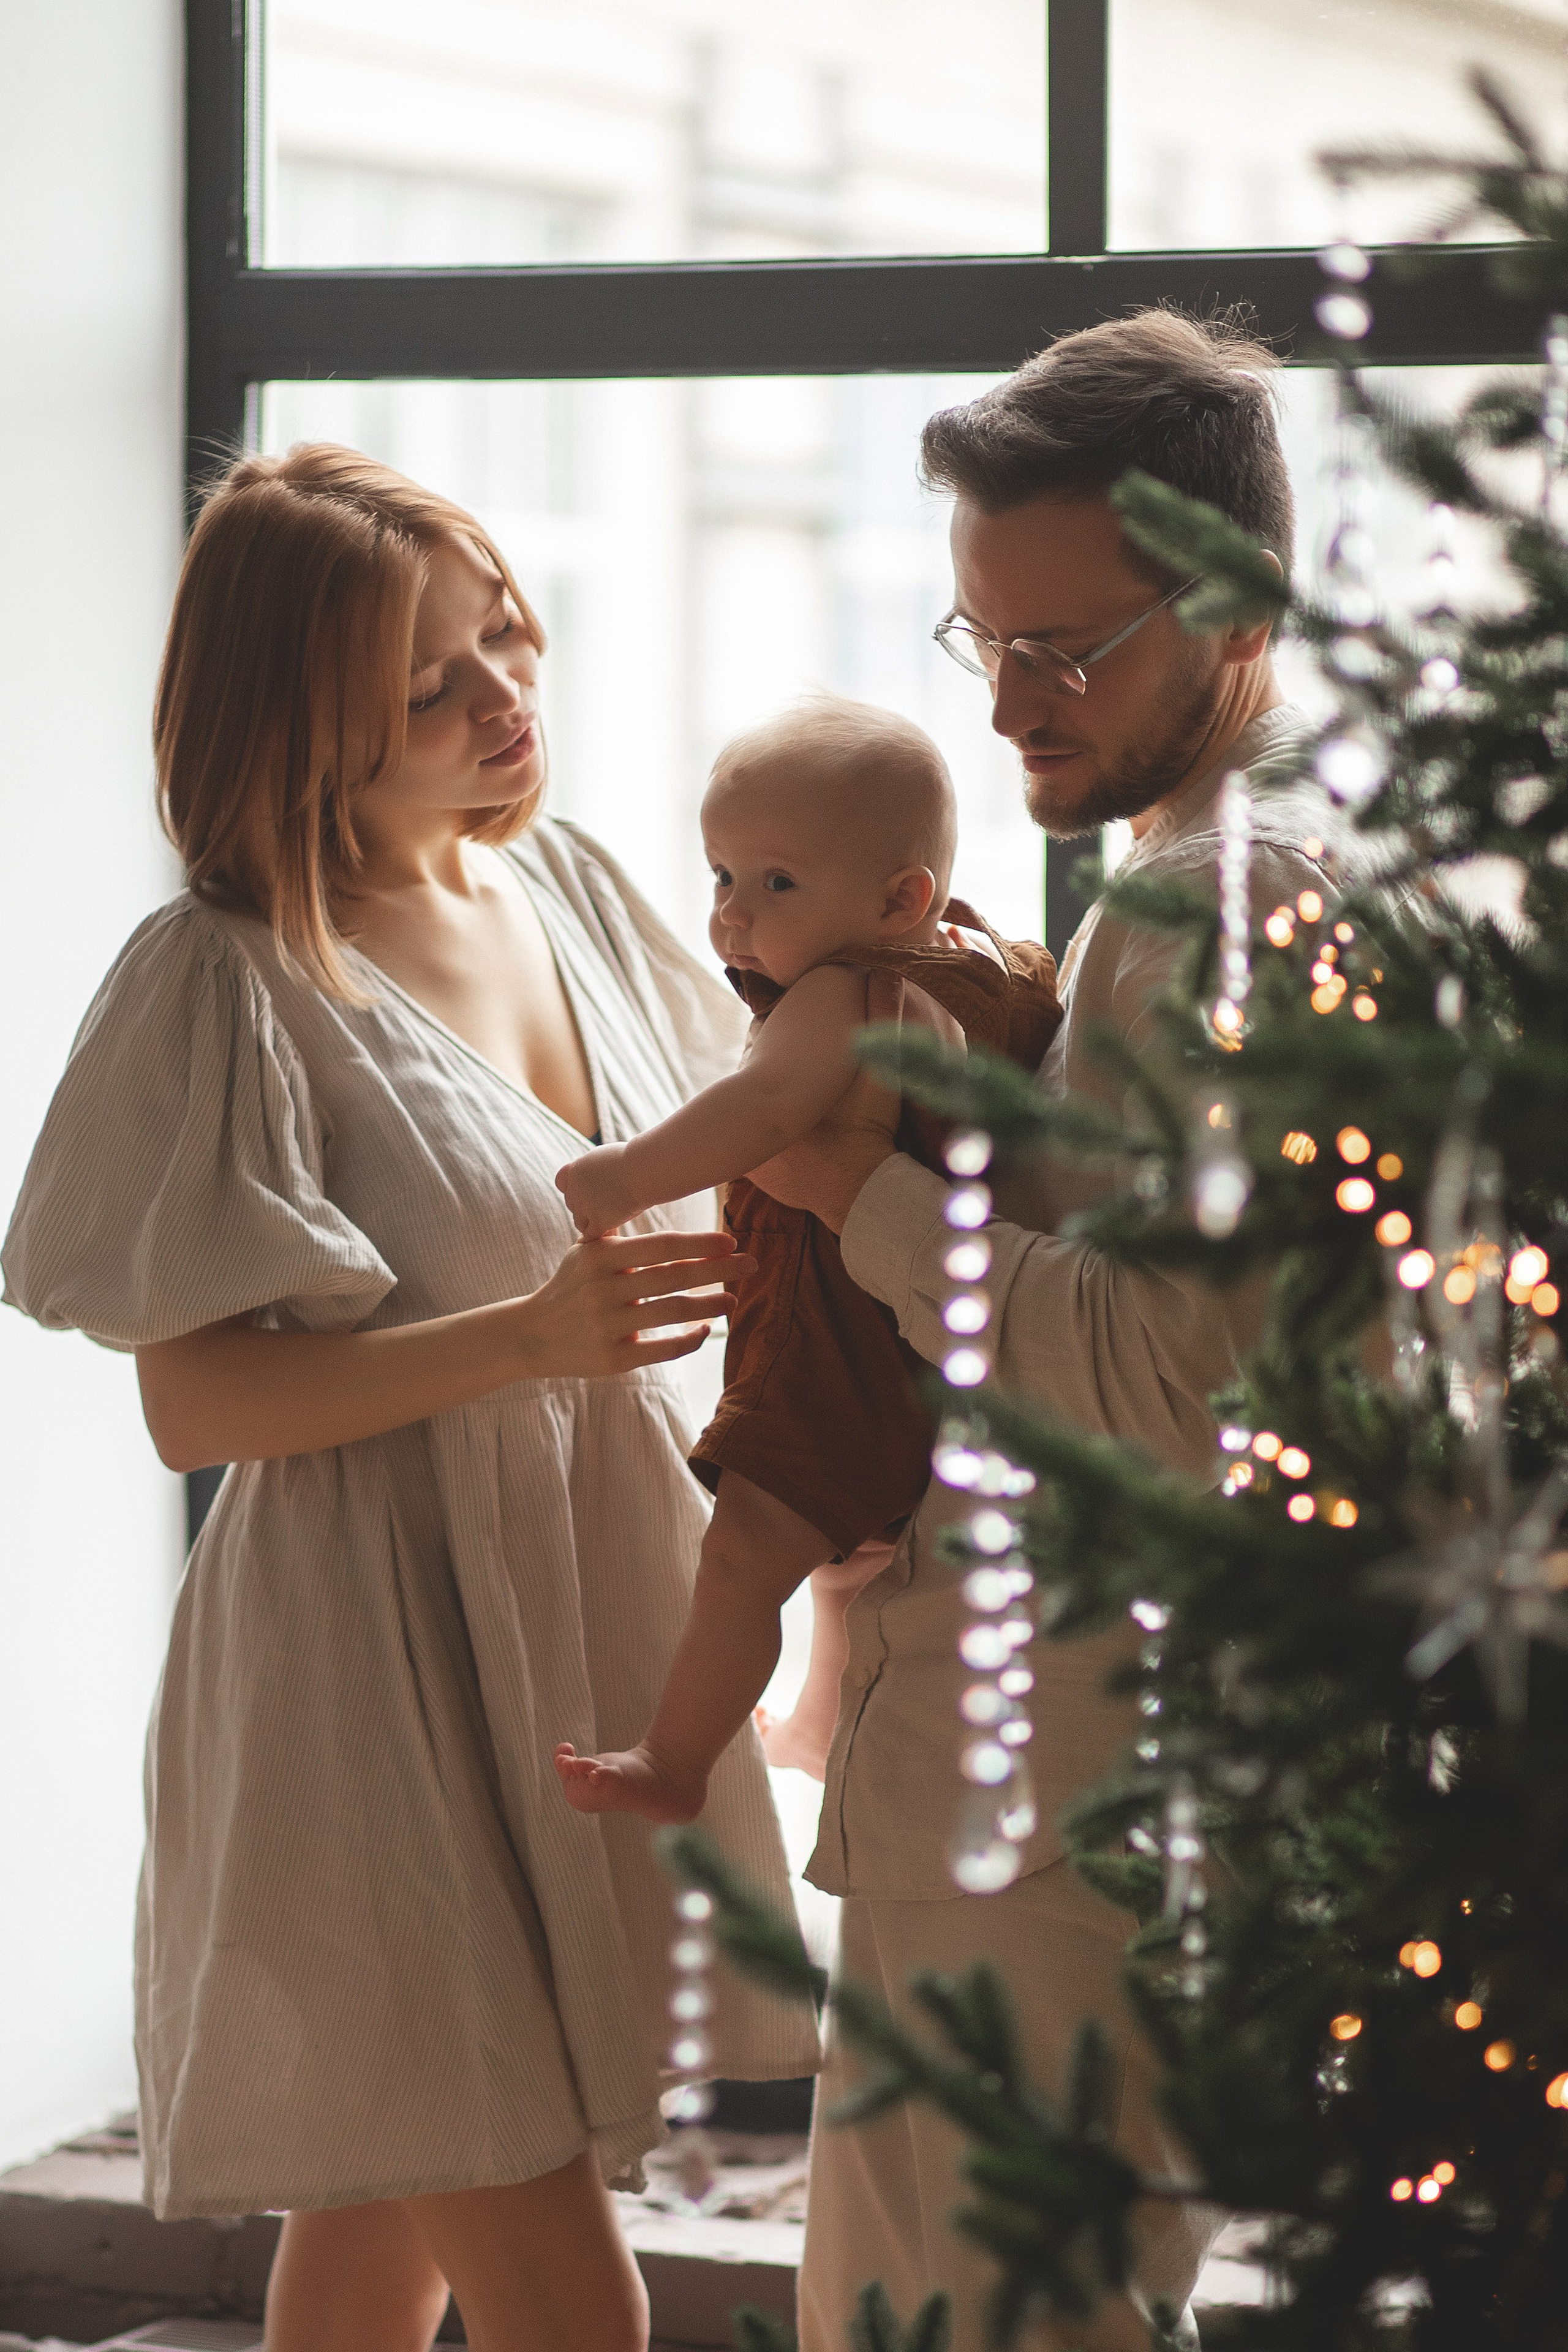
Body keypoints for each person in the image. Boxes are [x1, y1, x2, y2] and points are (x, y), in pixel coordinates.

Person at [0, 445, 818, 2352]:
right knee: (567, 2301)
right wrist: (528, 1339)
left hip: (579, 1627)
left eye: (504, 636)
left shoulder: (588, 899)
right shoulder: (223, 980)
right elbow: (193, 1408)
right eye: (432, 681)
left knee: (384, 2239)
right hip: (359, 1678)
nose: (503, 696)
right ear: (303, 716)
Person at [746, 312, 1355, 2352]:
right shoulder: (1218, 882)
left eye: (1069, 652)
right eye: (979, 639)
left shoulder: (1217, 911)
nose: (1011, 703)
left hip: (1065, 1782)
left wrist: (865, 1197)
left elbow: (1179, 1387)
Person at [550, 698, 1058, 1826]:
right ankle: (820, 1716)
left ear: (898, 899)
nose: (732, 918)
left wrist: (621, 1179)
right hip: (929, 1345)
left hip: (832, 1342)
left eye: (775, 883)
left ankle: (674, 1760)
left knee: (744, 1557)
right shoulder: (990, 966)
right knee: (845, 1565)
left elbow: (765, 1108)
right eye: (721, 876)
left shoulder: (843, 988)